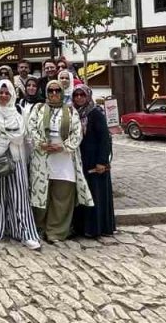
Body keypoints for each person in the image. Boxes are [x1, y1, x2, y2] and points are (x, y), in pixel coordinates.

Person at [27, 80, 93, 243]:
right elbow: (31, 127)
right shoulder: (38, 108)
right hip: (43, 157)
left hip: (64, 159)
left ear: (62, 92)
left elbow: (77, 133)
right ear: (47, 92)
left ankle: (56, 231)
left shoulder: (70, 110)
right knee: (42, 195)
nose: (54, 94)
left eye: (57, 91)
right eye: (51, 91)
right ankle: (40, 227)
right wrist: (40, 143)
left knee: (62, 197)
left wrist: (63, 146)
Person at [0, 81, 41, 250]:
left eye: (7, 93)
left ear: (13, 94)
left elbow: (26, 137)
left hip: (16, 159)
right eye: (1, 92)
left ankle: (25, 232)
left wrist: (31, 159)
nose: (4, 96)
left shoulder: (19, 111)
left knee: (20, 197)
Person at [72, 84, 115, 238]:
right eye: (76, 95)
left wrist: (102, 161)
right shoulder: (74, 113)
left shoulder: (95, 113)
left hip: (95, 161)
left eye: (82, 95)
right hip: (81, 160)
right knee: (84, 195)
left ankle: (97, 228)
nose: (79, 98)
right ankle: (83, 227)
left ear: (88, 95)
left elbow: (105, 138)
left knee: (96, 195)